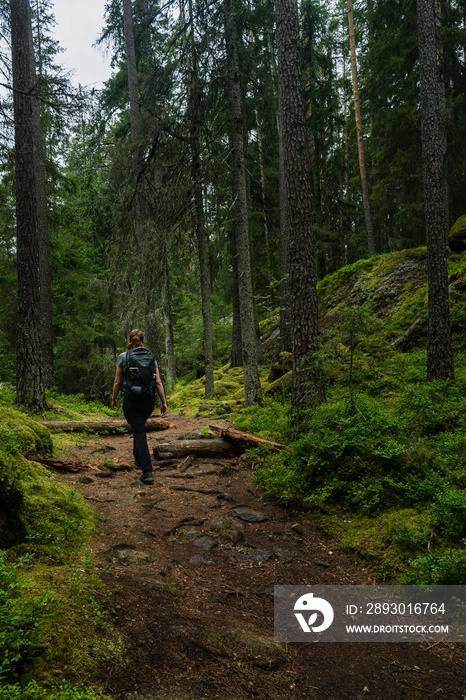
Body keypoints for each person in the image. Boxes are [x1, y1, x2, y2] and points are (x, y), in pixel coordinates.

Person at [112, 329, 168, 485]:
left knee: (139, 432)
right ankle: (138, 458)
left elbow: (117, 382)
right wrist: (164, 402)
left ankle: (147, 471)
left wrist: (114, 399)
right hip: (148, 401)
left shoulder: (123, 356)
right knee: (139, 429)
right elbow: (157, 381)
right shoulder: (150, 355)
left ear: (129, 340)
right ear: (143, 340)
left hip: (131, 401)